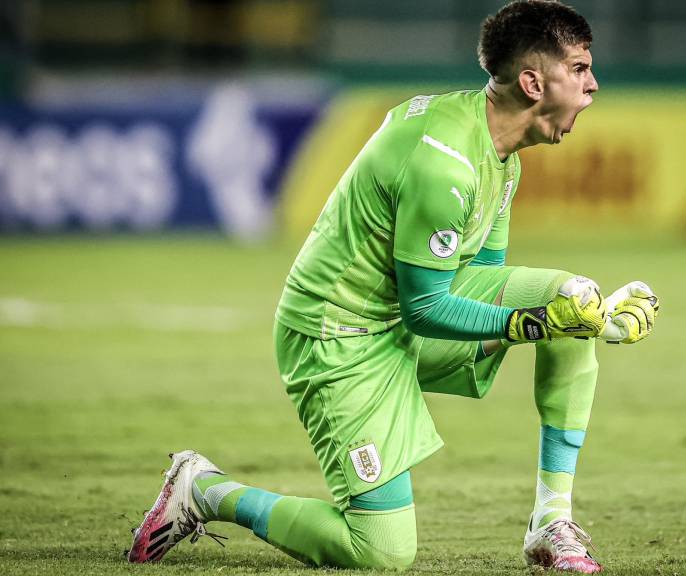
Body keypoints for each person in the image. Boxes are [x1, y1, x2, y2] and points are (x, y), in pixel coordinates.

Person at [127, 1, 659, 573]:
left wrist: (595, 317)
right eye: (578, 69)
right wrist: (529, 323)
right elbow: (429, 307)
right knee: (380, 553)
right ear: (533, 82)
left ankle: (551, 522)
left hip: (396, 320)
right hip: (338, 337)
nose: (593, 84)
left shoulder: (502, 156)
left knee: (569, 301)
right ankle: (205, 491)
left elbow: (482, 283)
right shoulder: (446, 164)